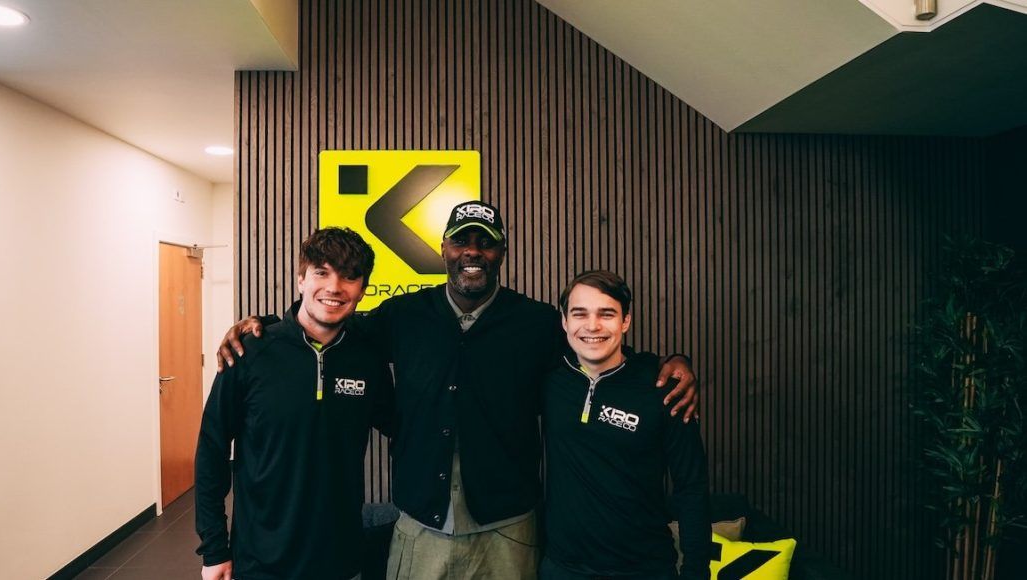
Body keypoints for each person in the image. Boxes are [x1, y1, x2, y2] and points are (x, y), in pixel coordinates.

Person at [217, 201, 698, 579]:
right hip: (421, 524)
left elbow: (596, 346)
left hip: (508, 526)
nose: (473, 251)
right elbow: (330, 322)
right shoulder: (405, 315)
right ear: (444, 248)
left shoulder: (535, 323)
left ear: (501, 252)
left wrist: (670, 362)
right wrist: (268, 325)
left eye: (485, 243)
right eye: (462, 240)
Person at [195, 227, 394, 580]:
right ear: (301, 279)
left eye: (349, 277)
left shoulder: (368, 359)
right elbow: (212, 449)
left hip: (340, 560)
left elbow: (403, 425)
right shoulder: (249, 352)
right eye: (322, 272)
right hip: (260, 560)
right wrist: (214, 549)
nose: (335, 287)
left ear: (362, 290)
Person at [541, 271, 711, 579]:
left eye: (606, 314)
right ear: (564, 322)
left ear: (625, 322)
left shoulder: (665, 389)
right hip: (562, 569)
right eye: (580, 314)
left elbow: (692, 487)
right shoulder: (549, 380)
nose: (592, 326)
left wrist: (696, 572)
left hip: (644, 569)